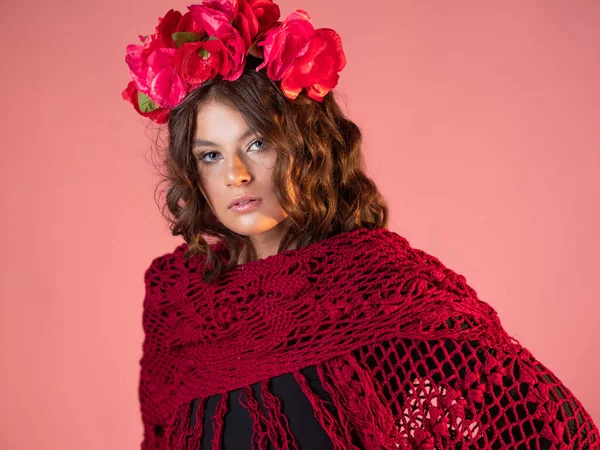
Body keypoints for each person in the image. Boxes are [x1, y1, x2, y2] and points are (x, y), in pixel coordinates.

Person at [123, 1, 599, 449]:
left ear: (309, 148)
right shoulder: (178, 300)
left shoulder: (380, 283)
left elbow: (551, 430)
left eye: (258, 145)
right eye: (211, 154)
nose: (236, 175)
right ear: (191, 170)